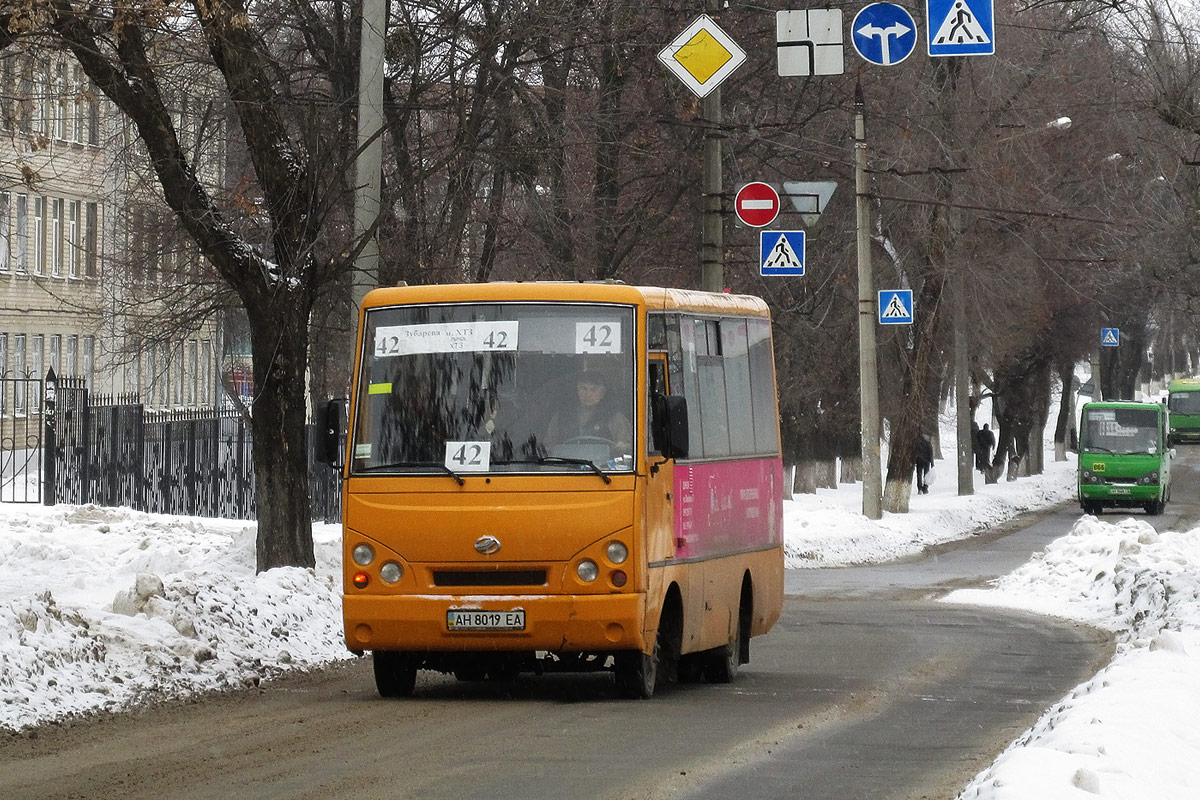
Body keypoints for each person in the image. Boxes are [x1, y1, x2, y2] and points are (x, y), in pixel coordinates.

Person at [547, 362, 631, 455]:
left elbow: (629, 448)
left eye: (593, 389)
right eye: (583, 388)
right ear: (577, 390)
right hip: (568, 467)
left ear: (602, 393)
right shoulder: (560, 417)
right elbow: (548, 448)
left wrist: (623, 447)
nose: (588, 394)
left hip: (603, 468)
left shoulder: (615, 418)